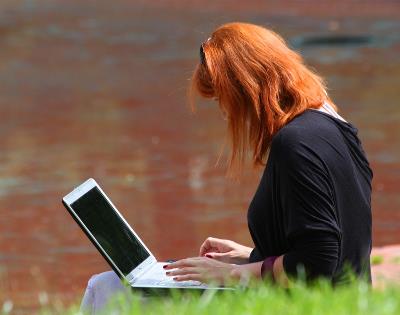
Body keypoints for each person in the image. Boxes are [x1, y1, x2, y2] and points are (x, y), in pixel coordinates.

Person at [81, 22, 372, 312]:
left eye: (223, 98)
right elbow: (336, 249)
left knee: (108, 287)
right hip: (347, 304)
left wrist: (232, 275)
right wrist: (249, 257)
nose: (225, 112)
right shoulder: (335, 128)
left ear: (244, 88)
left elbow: (318, 262)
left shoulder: (295, 143)